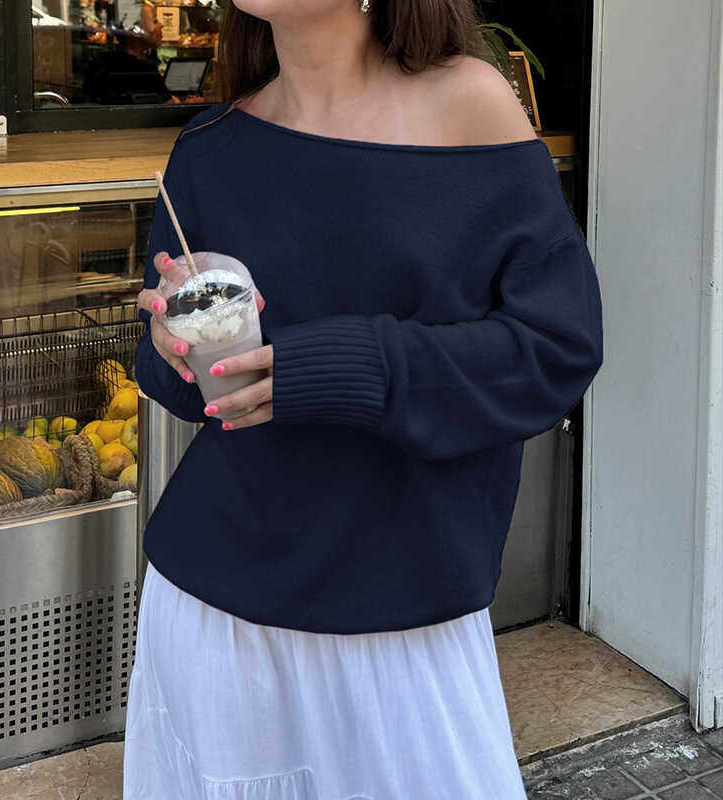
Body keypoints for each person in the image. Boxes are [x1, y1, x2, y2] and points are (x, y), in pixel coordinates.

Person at [124, 0, 604, 797]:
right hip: (211, 612)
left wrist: (345, 367)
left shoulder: (472, 105)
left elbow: (556, 348)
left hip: (402, 614)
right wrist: (176, 348)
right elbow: (171, 377)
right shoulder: (210, 147)